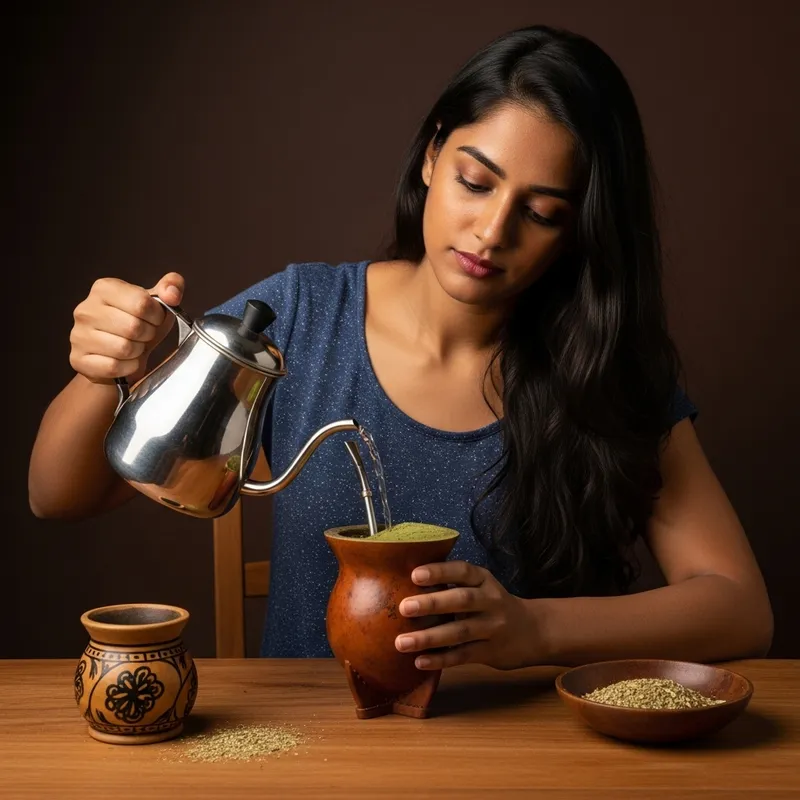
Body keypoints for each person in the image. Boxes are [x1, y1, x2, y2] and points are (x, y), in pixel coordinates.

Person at [29, 24, 773, 668]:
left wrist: (534, 627)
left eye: (542, 213)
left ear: (579, 231)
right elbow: (59, 495)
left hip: (529, 756)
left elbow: (740, 609)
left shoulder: (601, 367)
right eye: (475, 182)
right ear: (430, 156)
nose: (491, 233)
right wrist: (110, 368)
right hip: (315, 752)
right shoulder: (300, 318)